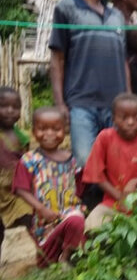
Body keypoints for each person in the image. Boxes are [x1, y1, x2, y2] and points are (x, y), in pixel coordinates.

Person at [49, 0, 128, 168]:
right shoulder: (66, 8)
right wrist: (60, 104)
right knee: (85, 164)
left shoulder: (116, 16)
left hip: (116, 105)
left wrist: (128, 99)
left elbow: (124, 63)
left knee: (116, 164)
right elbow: (57, 59)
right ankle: (87, 203)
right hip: (81, 104)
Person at [83, 93, 137, 230]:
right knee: (91, 226)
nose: (130, 122)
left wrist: (135, 184)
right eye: (124, 118)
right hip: (113, 201)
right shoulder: (105, 138)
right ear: (113, 119)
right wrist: (120, 197)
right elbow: (96, 175)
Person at [12, 107, 85, 266]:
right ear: (33, 132)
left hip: (71, 218)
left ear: (65, 131)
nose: (50, 133)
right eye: (42, 129)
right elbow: (20, 189)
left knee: (77, 220)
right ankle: (56, 257)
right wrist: (40, 208)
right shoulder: (30, 160)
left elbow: (79, 189)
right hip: (44, 227)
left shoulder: (72, 160)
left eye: (56, 129)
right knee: (45, 261)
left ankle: (66, 258)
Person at [0, 87, 32, 254]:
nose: (10, 111)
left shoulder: (22, 137)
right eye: (4, 106)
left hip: (15, 190)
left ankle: (34, 252)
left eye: (15, 107)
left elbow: (27, 163)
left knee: (27, 215)